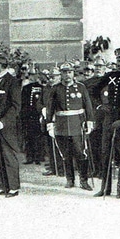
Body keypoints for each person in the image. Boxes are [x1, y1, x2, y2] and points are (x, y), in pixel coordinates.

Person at [93, 47, 120, 198]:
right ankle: (105, 188)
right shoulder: (109, 75)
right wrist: (101, 105)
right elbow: (95, 90)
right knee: (105, 152)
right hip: (109, 118)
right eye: (118, 60)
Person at [46, 62, 94, 190]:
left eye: (69, 72)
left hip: (77, 124)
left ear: (73, 73)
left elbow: (88, 105)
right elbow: (50, 108)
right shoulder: (55, 89)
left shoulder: (81, 87)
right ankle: (70, 179)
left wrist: (90, 121)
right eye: (64, 72)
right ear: (61, 74)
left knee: (80, 153)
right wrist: (49, 124)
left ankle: (84, 180)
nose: (67, 75)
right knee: (66, 154)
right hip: (61, 126)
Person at [0, 54, 22, 197]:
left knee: (9, 156)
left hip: (6, 126)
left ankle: (13, 188)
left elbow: (15, 106)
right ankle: (3, 185)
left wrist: (4, 121)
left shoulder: (12, 81)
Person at [20, 68, 44, 165]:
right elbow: (23, 101)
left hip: (37, 115)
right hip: (27, 115)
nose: (32, 77)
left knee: (38, 136)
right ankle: (29, 157)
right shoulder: (26, 88)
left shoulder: (41, 87)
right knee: (28, 136)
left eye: (34, 75)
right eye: (30, 75)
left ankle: (38, 157)